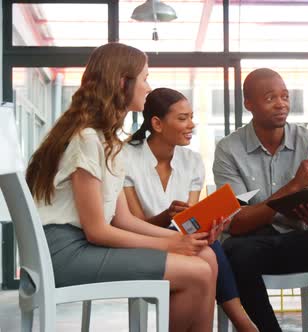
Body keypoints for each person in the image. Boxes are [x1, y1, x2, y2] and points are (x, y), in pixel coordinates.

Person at [25, 43, 218, 332]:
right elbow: (97, 230)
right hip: (66, 254)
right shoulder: (87, 139)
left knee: (206, 256)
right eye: (144, 78)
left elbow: (123, 219)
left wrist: (188, 237)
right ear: (121, 83)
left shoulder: (105, 140)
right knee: (197, 271)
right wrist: (172, 243)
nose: (148, 87)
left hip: (82, 245)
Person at [213, 68, 308, 332]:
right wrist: (293, 186)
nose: (281, 104)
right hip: (253, 248)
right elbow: (235, 224)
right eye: (270, 98)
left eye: (285, 97)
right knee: (234, 251)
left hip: (297, 241)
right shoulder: (228, 149)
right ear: (249, 104)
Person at [123, 87, 257, 331]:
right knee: (207, 254)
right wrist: (165, 217)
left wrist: (211, 226)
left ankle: (241, 322)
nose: (191, 125)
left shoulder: (192, 161)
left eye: (191, 117)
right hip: (141, 242)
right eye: (183, 118)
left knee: (207, 247)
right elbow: (132, 223)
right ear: (157, 123)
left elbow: (191, 222)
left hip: (181, 241)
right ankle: (242, 321)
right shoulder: (126, 156)